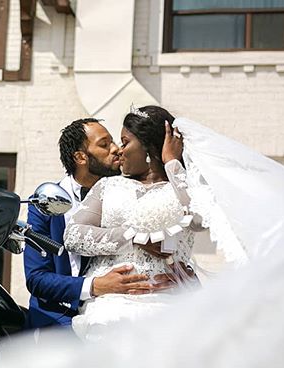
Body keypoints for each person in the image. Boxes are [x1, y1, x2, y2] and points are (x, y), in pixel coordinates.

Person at [64, 106, 204, 339]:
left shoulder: (183, 187)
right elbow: (73, 236)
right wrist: (135, 238)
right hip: (113, 307)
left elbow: (199, 219)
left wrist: (172, 163)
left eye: (125, 142)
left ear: (148, 147)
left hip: (170, 304)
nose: (119, 150)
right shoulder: (107, 187)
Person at [23, 118, 173, 330]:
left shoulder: (131, 192)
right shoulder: (43, 204)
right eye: (104, 145)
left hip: (126, 310)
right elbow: (37, 279)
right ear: (80, 157)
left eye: (116, 142)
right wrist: (94, 286)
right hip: (57, 318)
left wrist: (179, 272)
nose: (116, 150)